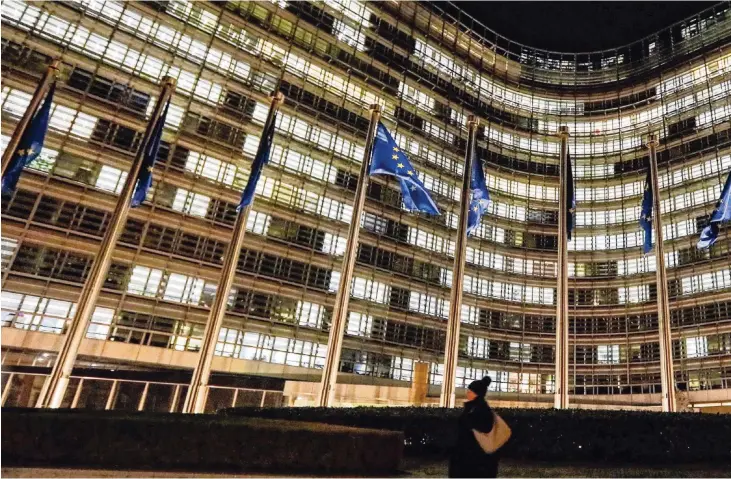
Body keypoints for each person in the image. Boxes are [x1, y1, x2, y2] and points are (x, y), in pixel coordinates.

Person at [448, 376, 499, 478]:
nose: (467, 393)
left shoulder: (476, 410)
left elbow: (471, 434)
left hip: (472, 460)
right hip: (473, 460)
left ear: (476, 393)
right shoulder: (478, 408)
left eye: (470, 391)